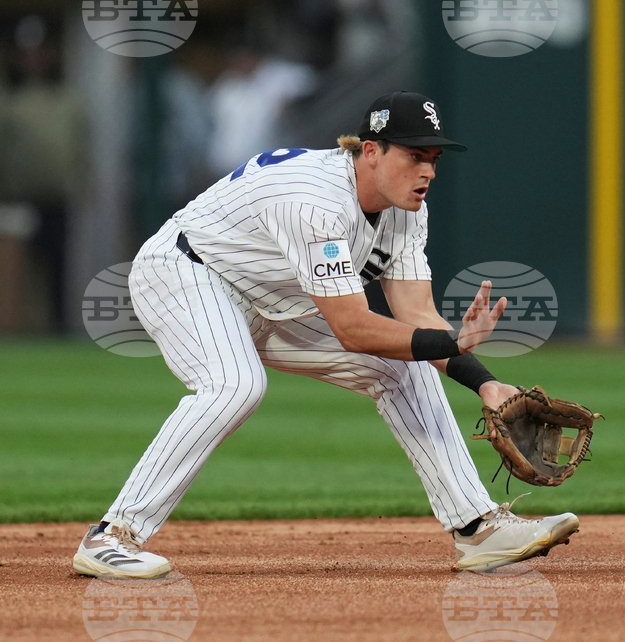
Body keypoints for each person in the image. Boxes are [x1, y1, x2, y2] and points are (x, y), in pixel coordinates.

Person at [72, 91, 579, 577]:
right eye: (413, 155)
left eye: (434, 158)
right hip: (187, 272)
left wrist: (485, 383)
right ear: (372, 151)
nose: (426, 170)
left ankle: (477, 528)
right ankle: (111, 535)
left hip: (275, 299)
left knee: (403, 366)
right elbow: (354, 329)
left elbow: (417, 316)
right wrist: (450, 343)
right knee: (235, 385)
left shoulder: (407, 211)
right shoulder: (316, 201)